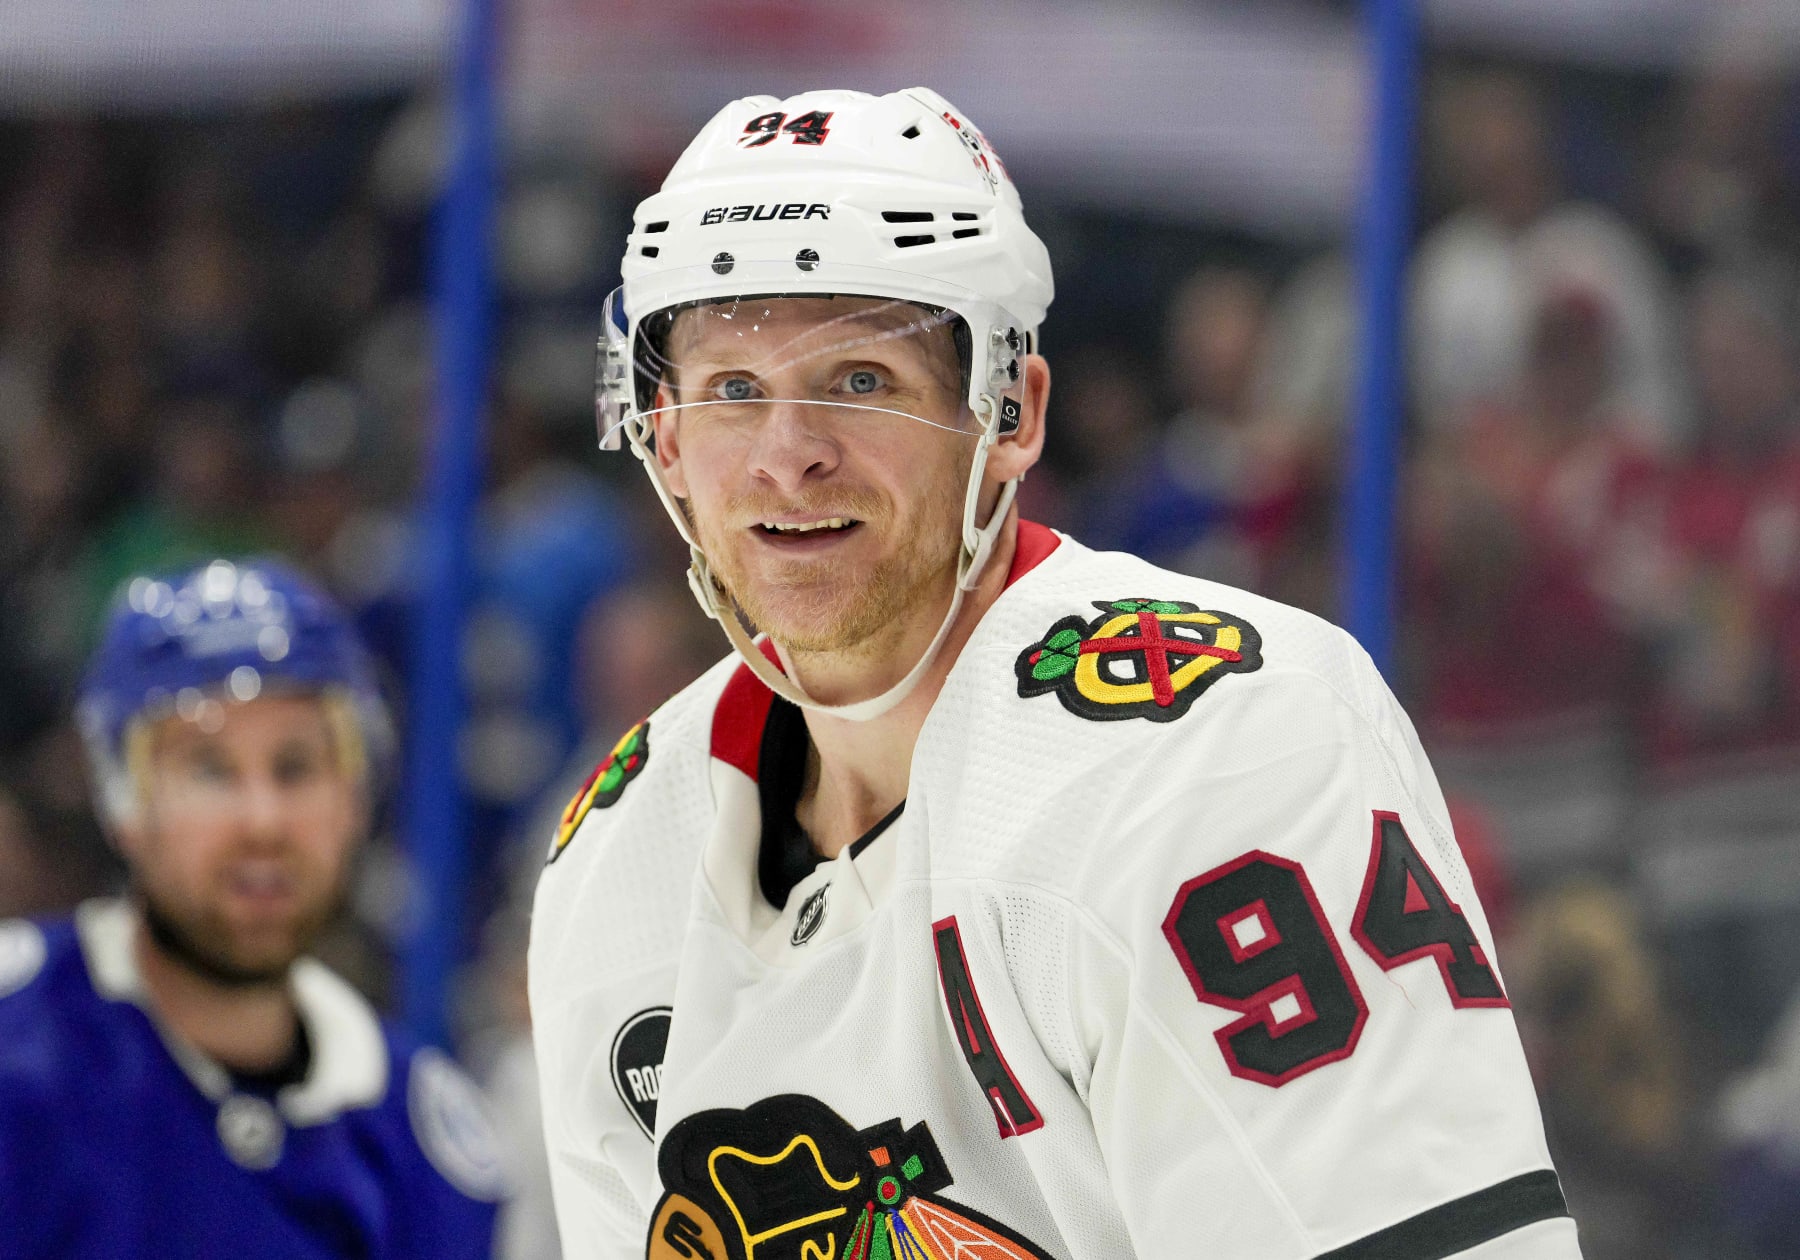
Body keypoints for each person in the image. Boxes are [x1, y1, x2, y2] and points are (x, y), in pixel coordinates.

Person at [530, 87, 1582, 1259]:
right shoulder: (620, 851)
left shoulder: (1225, 741)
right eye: (733, 392)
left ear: (1012, 413)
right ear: (662, 438)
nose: (788, 458)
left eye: (860, 380)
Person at [0, 557, 506, 1258]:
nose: (263, 821)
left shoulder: (421, 1142)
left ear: (355, 798)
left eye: (296, 767)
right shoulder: (17, 1052)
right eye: (210, 770)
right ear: (123, 800)